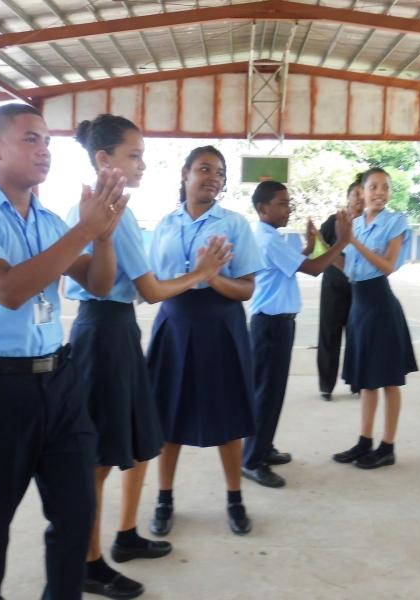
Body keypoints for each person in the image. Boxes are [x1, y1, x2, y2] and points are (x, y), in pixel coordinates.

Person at [0, 103, 127, 599]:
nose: (44, 150)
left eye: (47, 141)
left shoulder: (45, 219)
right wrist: (85, 231)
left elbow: (100, 284)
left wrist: (103, 239)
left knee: (75, 512)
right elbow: (8, 289)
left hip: (59, 383)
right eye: (30, 139)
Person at [67, 115, 232, 599]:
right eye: (133, 155)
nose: (142, 163)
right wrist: (201, 273)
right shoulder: (109, 214)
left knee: (136, 442)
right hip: (103, 333)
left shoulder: (118, 211)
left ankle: (125, 536)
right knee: (98, 458)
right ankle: (89, 562)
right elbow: (153, 290)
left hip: (115, 330)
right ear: (104, 160)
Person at [146, 145, 264, 536]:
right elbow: (153, 284)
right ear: (185, 173)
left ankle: (234, 498)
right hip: (174, 327)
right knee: (168, 418)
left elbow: (246, 288)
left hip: (220, 327)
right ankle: (164, 498)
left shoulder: (233, 224)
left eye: (219, 172)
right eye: (204, 169)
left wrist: (213, 278)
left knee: (227, 417)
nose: (212, 177)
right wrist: (190, 276)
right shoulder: (165, 225)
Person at [241, 180, 351, 488]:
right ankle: (251, 460)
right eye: (282, 203)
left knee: (271, 391)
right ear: (263, 208)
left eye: (289, 203)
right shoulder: (268, 240)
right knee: (265, 393)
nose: (289, 208)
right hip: (270, 326)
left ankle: (263, 447)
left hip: (274, 324)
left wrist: (309, 246)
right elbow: (315, 269)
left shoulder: (267, 237)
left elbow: (294, 265)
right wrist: (341, 243)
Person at [331, 167, 417, 470]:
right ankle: (364, 441)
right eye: (374, 187)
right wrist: (325, 246)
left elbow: (388, 265)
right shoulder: (356, 224)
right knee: (367, 382)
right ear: (362, 192)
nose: (380, 192)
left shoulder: (395, 222)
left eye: (385, 187)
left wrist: (352, 241)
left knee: (389, 381)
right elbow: (350, 270)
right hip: (360, 307)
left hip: (381, 305)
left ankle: (387, 447)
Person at [317, 176, 364, 400]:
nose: (360, 199)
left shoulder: (368, 224)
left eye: (363, 195)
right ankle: (326, 386)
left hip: (360, 288)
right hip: (333, 286)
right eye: (356, 194)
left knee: (357, 335)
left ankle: (357, 383)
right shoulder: (333, 221)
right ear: (347, 198)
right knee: (330, 334)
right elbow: (316, 248)